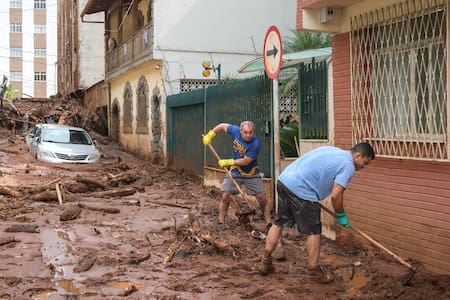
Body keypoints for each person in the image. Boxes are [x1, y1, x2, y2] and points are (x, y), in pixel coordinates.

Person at [258, 142, 375, 283]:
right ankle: (313, 271)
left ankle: (265, 262)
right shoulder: (348, 165)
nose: (363, 167)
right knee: (313, 231)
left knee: (278, 223)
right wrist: (340, 214)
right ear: (358, 155)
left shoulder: (333, 150)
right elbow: (336, 195)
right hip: (302, 190)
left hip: (285, 181)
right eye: (365, 162)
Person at [202, 121, 272, 225]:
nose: (248, 135)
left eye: (251, 132)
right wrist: (211, 134)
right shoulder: (235, 131)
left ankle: (268, 222)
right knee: (226, 195)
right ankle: (221, 221)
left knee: (262, 197)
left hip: (251, 172)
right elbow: (222, 126)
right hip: (236, 171)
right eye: (245, 132)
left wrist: (229, 161)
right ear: (240, 131)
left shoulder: (255, 144)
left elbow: (246, 161)